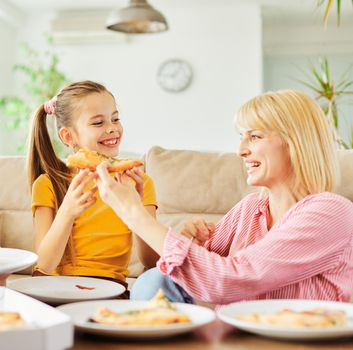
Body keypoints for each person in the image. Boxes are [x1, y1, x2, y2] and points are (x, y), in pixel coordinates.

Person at [95, 89, 353, 306]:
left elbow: (230, 279)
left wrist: (133, 213)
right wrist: (190, 241)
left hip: (295, 339)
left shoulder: (331, 212)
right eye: (241, 137)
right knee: (154, 281)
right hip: (234, 335)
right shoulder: (251, 209)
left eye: (254, 136)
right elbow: (197, 269)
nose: (241, 150)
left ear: (295, 142)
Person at [27, 80, 159, 297]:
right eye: (98, 123)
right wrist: (67, 211)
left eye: (115, 119)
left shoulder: (138, 182)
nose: (112, 128)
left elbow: (151, 262)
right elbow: (44, 265)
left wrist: (135, 208)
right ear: (69, 136)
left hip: (113, 291)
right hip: (55, 291)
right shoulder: (48, 184)